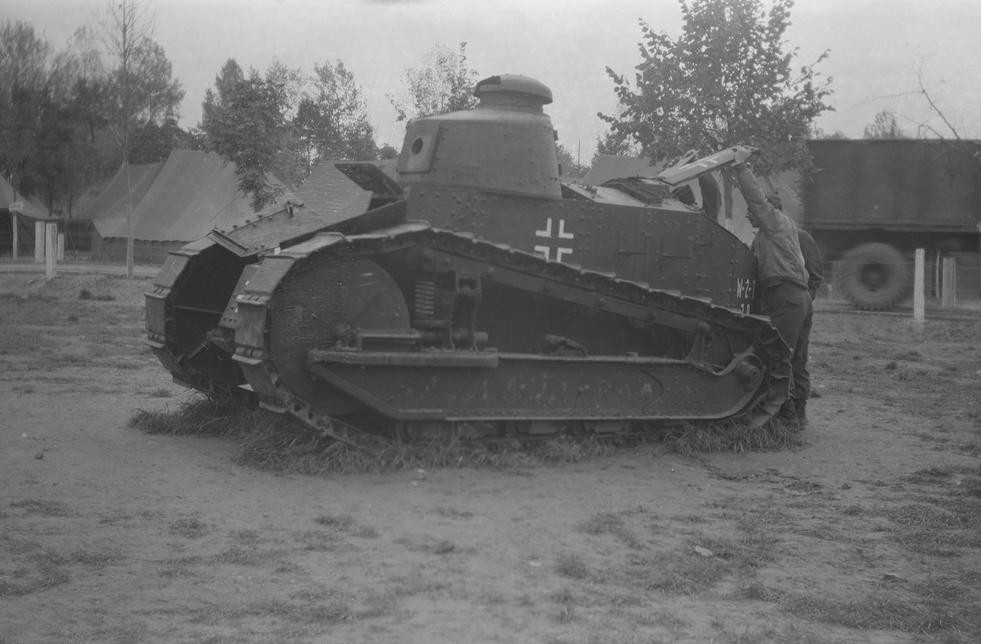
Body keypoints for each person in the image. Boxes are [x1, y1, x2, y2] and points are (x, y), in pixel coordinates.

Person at [730, 146, 813, 426]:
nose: (749, 216)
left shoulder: (776, 223)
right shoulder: (769, 238)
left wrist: (741, 168)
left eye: (753, 212)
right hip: (798, 297)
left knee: (780, 356)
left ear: (770, 210)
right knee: (797, 359)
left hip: (786, 296)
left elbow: (757, 201)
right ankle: (798, 414)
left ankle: (785, 417)